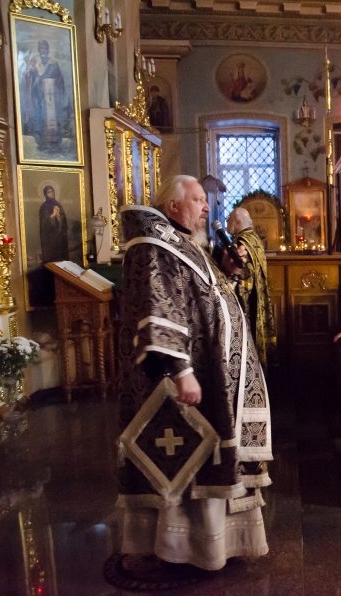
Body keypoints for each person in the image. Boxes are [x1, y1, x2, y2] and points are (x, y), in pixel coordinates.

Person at [116, 175, 271, 572]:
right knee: (187, 458)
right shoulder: (153, 245)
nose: (206, 207)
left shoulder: (184, 242)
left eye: (205, 200)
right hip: (186, 374)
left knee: (209, 454)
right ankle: (181, 547)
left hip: (214, 373)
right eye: (198, 199)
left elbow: (206, 298)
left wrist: (227, 271)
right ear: (173, 205)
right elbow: (158, 307)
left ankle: (212, 544)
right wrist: (181, 370)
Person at [227, 206, 276, 366]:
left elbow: (244, 275)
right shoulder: (254, 238)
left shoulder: (242, 241)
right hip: (260, 294)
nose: (227, 222)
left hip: (248, 301)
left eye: (229, 219)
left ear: (237, 221)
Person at [21, 39, 69, 152]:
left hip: (52, 99)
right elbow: (30, 80)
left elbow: (60, 81)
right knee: (41, 120)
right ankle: (43, 142)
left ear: (48, 50)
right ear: (39, 50)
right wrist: (32, 74)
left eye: (45, 48)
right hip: (40, 99)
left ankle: (54, 143)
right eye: (41, 48)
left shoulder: (54, 64)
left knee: (53, 119)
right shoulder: (36, 64)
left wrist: (54, 84)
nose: (44, 50)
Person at [38, 185, 68, 263]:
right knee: (52, 258)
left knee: (61, 257)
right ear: (45, 194)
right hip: (50, 238)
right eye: (49, 192)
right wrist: (53, 215)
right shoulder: (44, 207)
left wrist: (59, 216)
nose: (51, 193)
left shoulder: (58, 204)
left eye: (52, 191)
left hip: (60, 237)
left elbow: (63, 221)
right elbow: (44, 223)